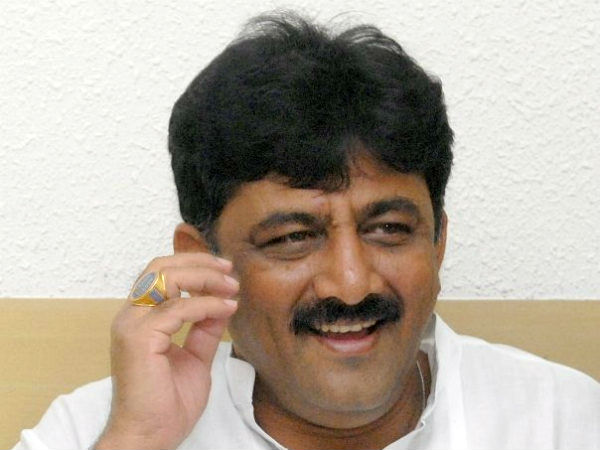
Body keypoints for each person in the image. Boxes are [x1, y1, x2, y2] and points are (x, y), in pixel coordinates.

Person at [13, 11, 599, 450]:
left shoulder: (564, 422)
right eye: (293, 238)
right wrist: (138, 440)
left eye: (389, 228)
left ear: (438, 243)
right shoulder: (93, 431)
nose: (351, 284)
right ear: (202, 262)